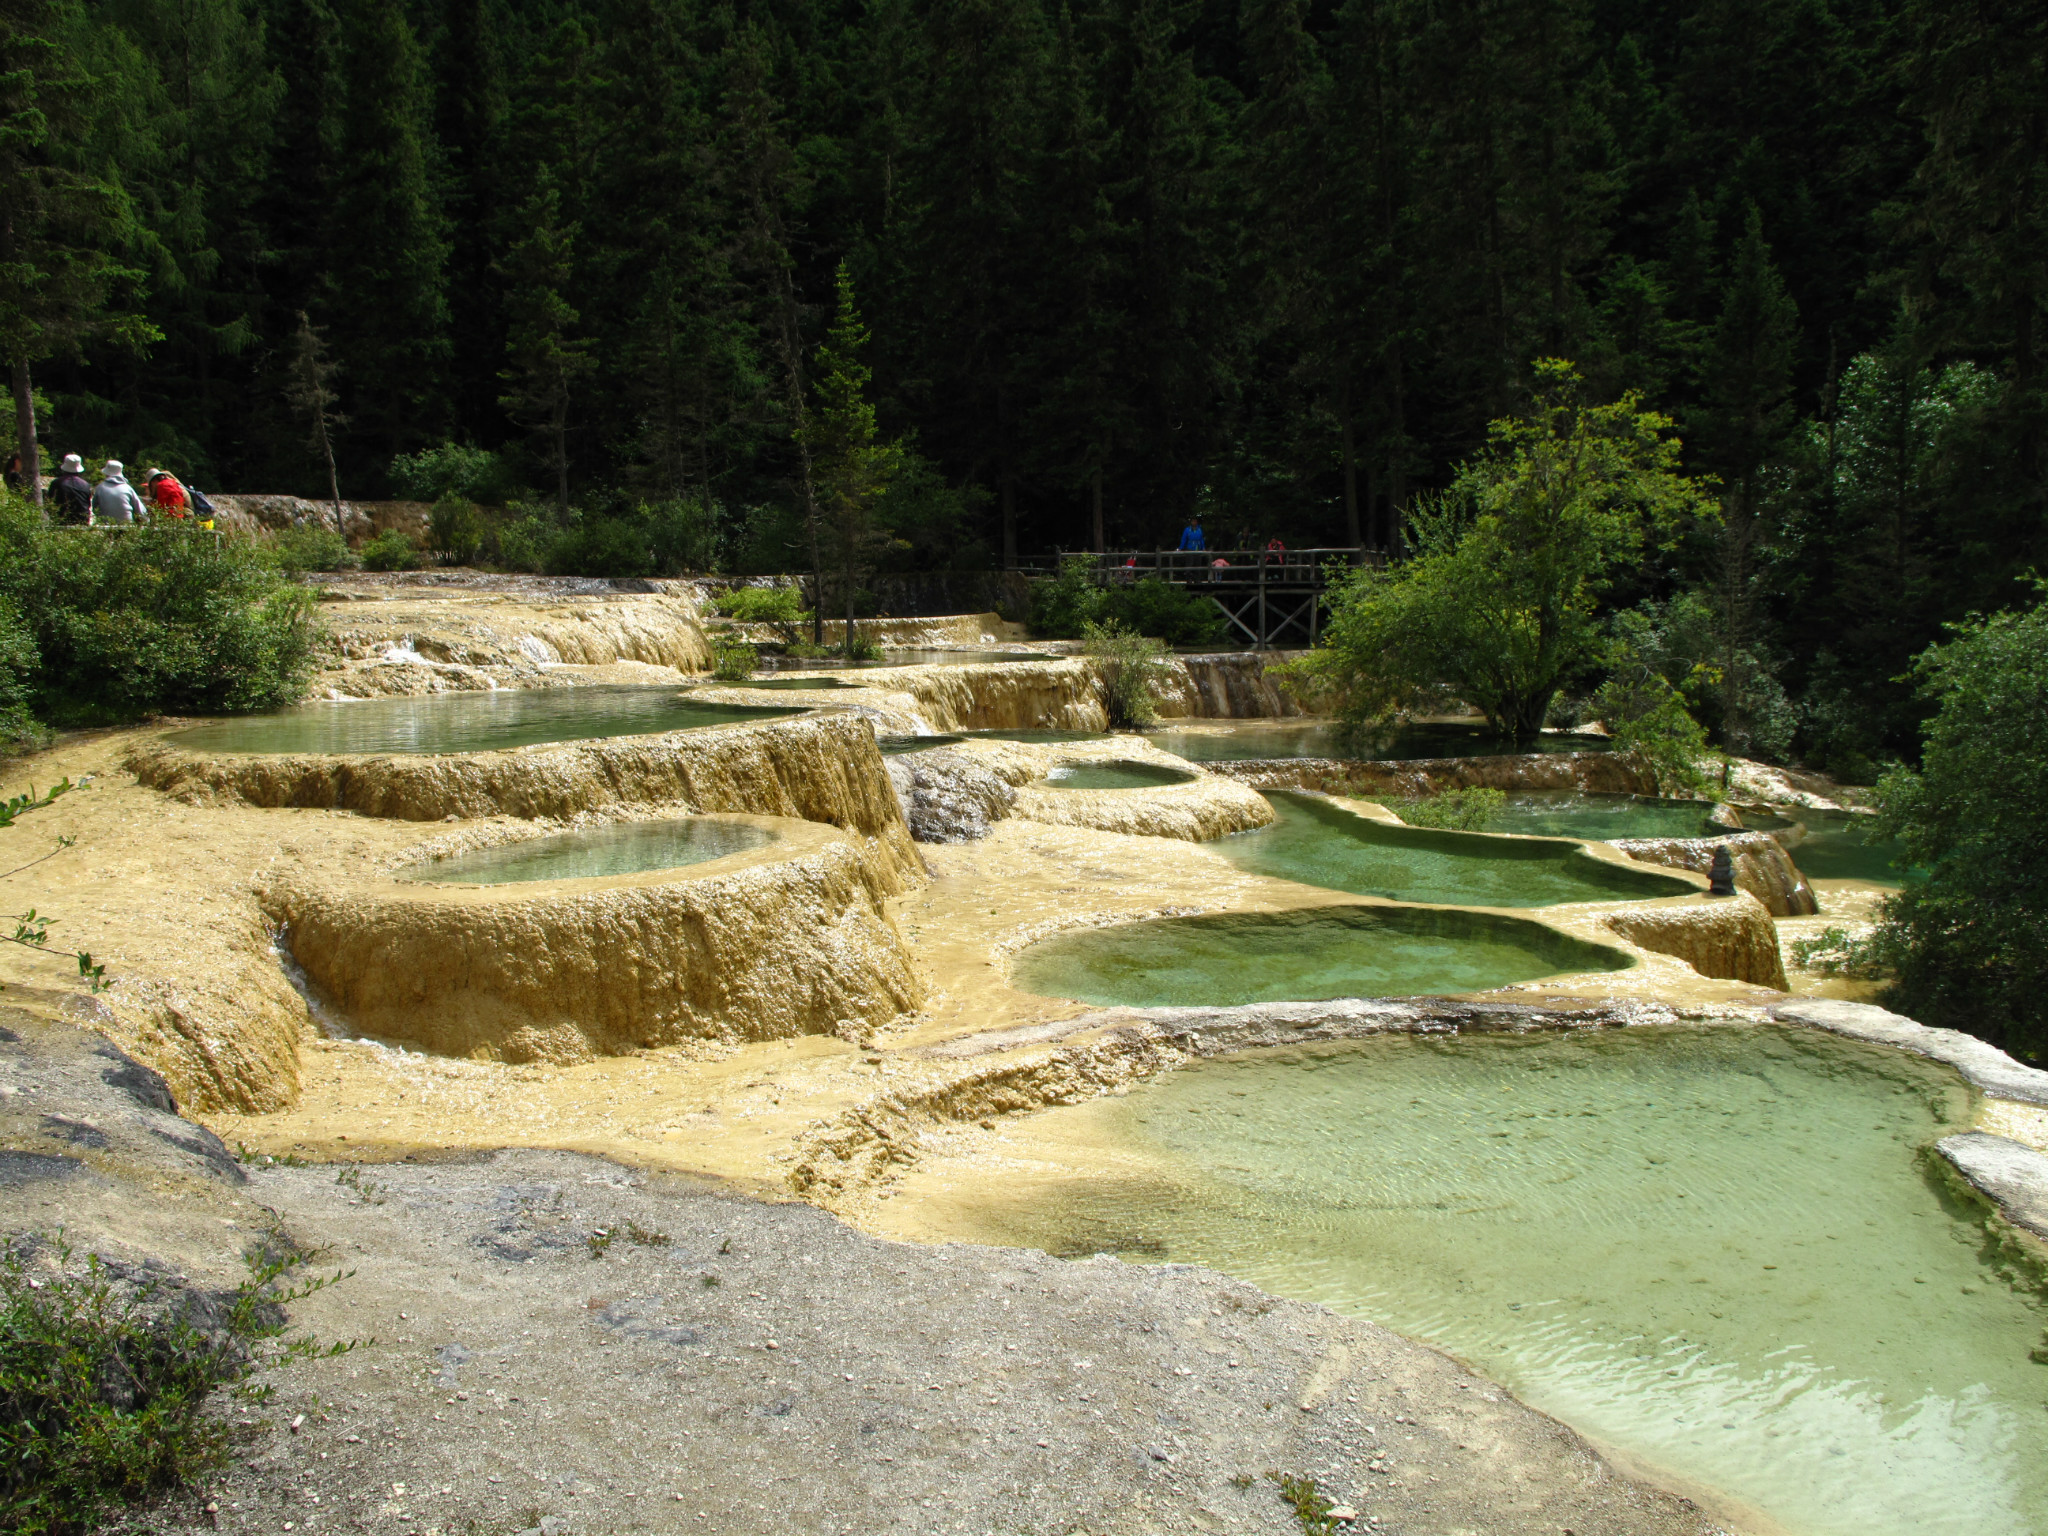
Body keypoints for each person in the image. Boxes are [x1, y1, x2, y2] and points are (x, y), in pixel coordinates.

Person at [93, 460, 147, 525]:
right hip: (127, 528)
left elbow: (94, 508)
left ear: (107, 474)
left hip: (105, 528)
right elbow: (141, 511)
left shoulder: (100, 488)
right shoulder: (127, 488)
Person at [50, 454, 93, 525]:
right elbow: (88, 503)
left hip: (61, 521)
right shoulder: (85, 484)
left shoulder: (56, 483)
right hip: (82, 521)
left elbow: (50, 501)